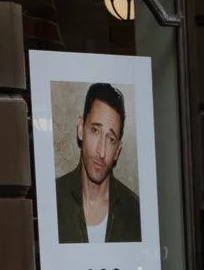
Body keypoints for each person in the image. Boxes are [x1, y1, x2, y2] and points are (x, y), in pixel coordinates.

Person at [55, 82, 141, 243]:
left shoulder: (135, 210)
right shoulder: (54, 197)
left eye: (111, 139)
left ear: (117, 150)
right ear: (81, 129)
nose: (101, 152)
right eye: (95, 130)